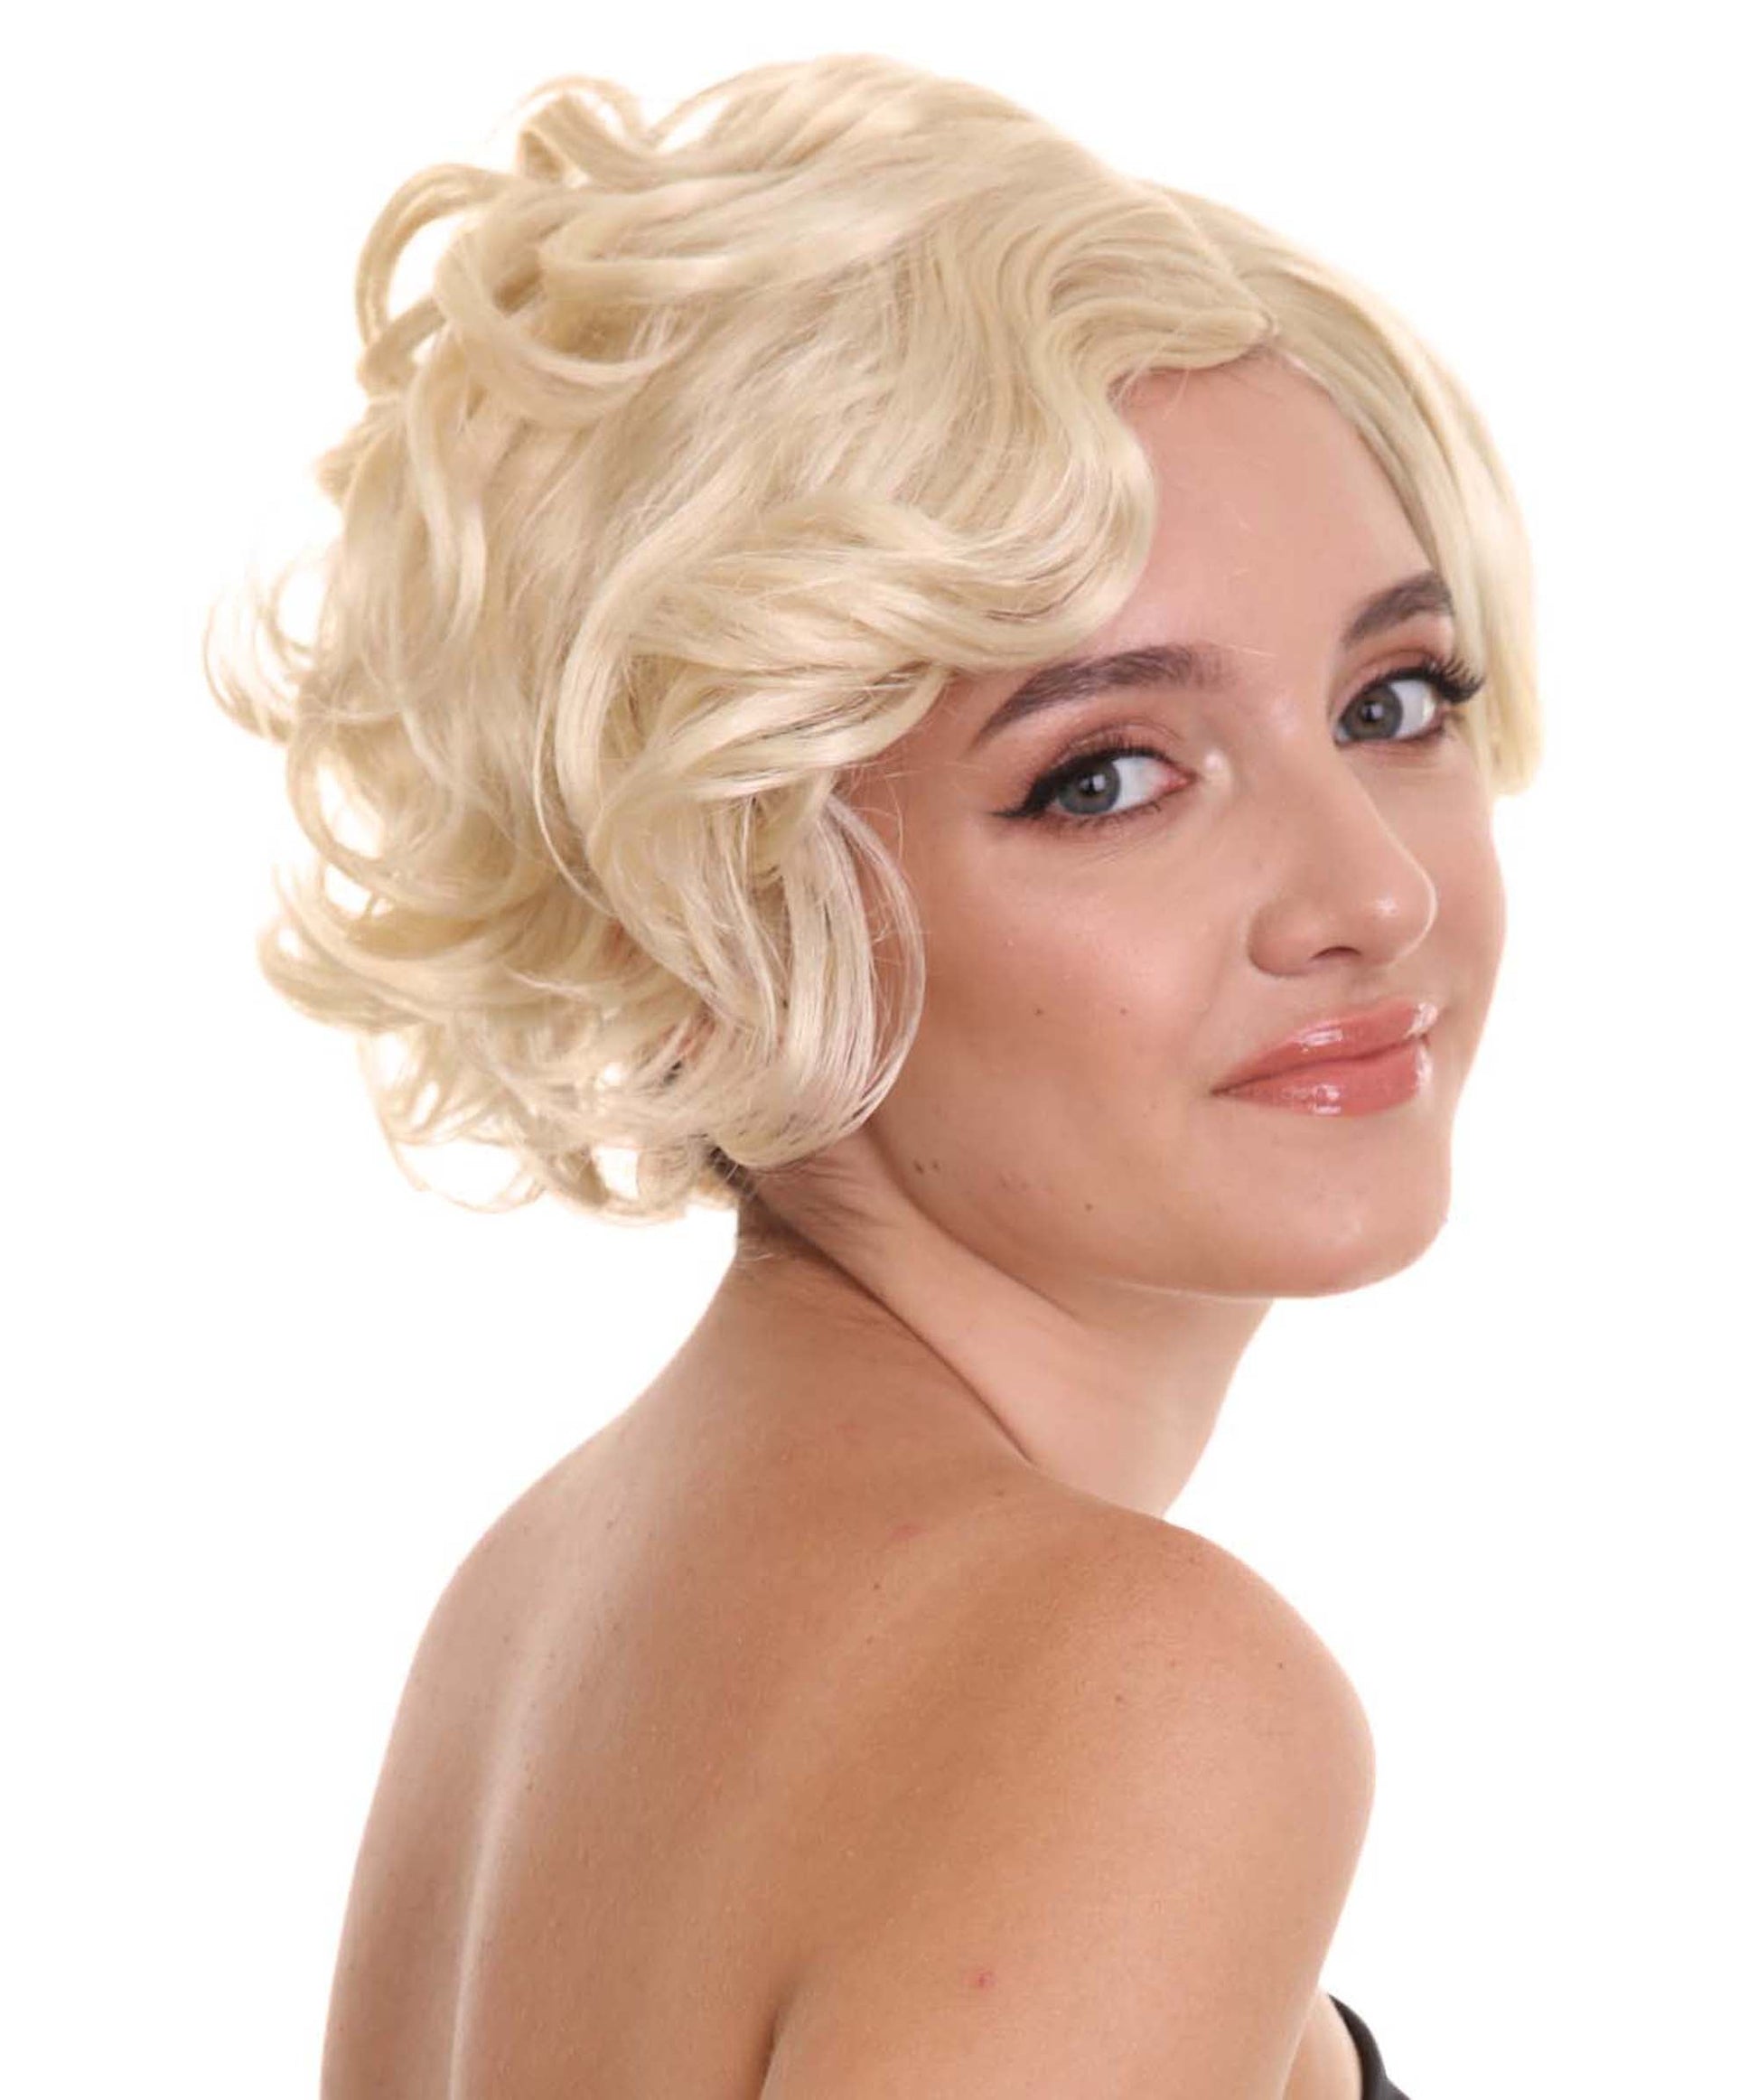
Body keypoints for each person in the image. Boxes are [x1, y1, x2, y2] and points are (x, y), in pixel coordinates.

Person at [205, 50, 1539, 2099]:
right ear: (718, 911)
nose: (1369, 889)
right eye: (1106, 775)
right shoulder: (1137, 1690)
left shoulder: (550, 1602)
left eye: (1393, 699)